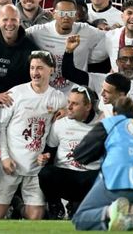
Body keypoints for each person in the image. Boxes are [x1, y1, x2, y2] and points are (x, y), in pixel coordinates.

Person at [0, 51, 68, 221]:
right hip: (11, 164)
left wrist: (66, 112)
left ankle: (17, 206)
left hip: (36, 167)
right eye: (32, 68)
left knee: (35, 217)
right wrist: (4, 157)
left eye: (40, 68)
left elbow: (64, 128)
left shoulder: (58, 98)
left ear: (51, 70)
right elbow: (1, 128)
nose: (35, 72)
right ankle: (10, 205)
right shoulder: (15, 94)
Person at [69, 95, 133, 231]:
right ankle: (128, 217)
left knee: (81, 218)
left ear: (114, 113)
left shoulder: (112, 123)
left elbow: (80, 155)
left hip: (122, 180)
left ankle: (112, 211)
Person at [39, 87, 102, 218]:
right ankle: (56, 206)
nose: (69, 107)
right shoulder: (60, 124)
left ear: (88, 106)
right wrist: (44, 157)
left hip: (90, 178)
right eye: (69, 102)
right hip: (66, 175)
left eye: (75, 103)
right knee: (46, 173)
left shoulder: (102, 125)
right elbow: (49, 151)